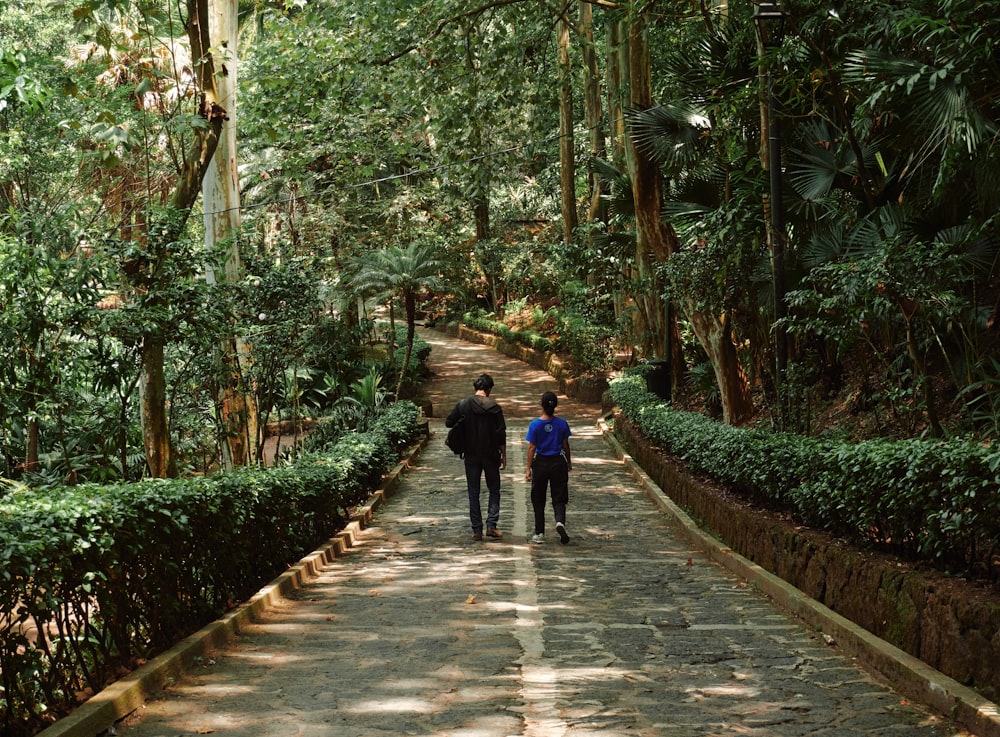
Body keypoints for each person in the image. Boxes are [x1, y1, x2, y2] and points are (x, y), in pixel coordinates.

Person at [445, 373, 507, 541]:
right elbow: (501, 435)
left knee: (474, 492)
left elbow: (449, 422)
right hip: (491, 455)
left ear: (475, 388)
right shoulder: (495, 408)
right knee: (494, 489)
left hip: (471, 454)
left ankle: (477, 530)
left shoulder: (464, 404)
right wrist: (504, 456)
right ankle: (492, 526)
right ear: (489, 389)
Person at [524, 391, 572, 544]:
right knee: (559, 496)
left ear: (541, 405)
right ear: (555, 406)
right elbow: (565, 445)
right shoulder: (562, 423)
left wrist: (528, 469)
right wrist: (569, 462)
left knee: (538, 498)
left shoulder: (535, 425)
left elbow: (532, 447)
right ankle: (560, 521)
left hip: (541, 464)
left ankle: (539, 532)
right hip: (558, 462)